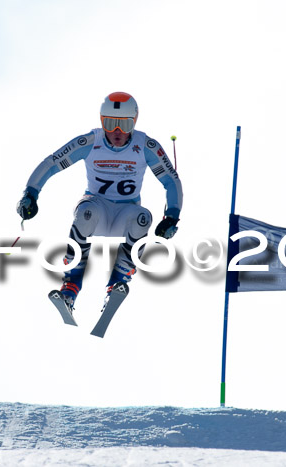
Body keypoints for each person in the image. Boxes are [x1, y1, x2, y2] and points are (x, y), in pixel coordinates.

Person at [16, 92, 183, 314]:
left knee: (144, 217)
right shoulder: (90, 142)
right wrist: (31, 193)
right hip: (97, 210)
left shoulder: (146, 146)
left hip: (126, 214)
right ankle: (71, 287)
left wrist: (171, 216)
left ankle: (117, 283)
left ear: (134, 122)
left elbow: (171, 181)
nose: (116, 132)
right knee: (86, 211)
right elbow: (52, 163)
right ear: (101, 121)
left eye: (123, 125)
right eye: (110, 123)